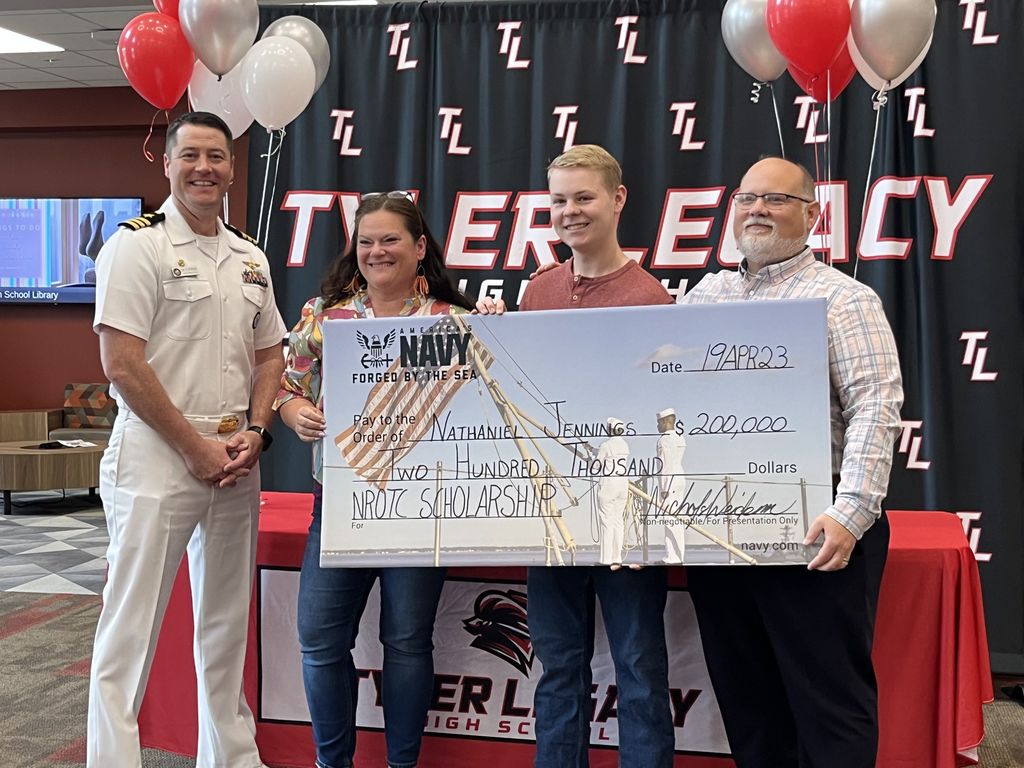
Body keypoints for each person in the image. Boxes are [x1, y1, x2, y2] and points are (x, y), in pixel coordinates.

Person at [684, 156, 904, 768]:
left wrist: (851, 513)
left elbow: (876, 409)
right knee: (748, 703)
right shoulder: (705, 295)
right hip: (718, 525)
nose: (757, 209)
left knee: (830, 706)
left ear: (811, 214)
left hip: (814, 525)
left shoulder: (844, 299)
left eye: (775, 200)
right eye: (747, 198)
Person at [87, 111, 287, 768]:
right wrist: (192, 446)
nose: (206, 168)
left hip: (235, 461)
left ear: (233, 168)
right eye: (192, 155)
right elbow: (122, 364)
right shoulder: (135, 246)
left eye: (218, 157)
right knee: (130, 631)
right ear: (167, 163)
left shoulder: (249, 255)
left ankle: (229, 758)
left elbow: (269, 356)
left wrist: (257, 431)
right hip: (156, 459)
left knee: (227, 627)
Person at [480, 144, 676, 767]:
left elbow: (664, 417)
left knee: (639, 668)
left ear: (618, 200)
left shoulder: (653, 299)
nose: (569, 211)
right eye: (559, 199)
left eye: (583, 197)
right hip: (555, 518)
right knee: (559, 669)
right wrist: (493, 340)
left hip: (628, 520)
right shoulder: (537, 290)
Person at [275, 191, 476, 768]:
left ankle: (401, 764)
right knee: (318, 638)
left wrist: (494, 338)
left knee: (407, 642)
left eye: (390, 240)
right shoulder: (325, 314)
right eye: (366, 241)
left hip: (421, 509)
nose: (376, 251)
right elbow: (289, 385)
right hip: (339, 502)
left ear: (419, 249)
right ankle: (330, 762)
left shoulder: (453, 322)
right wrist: (294, 413)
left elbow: (486, 407)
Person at [595, 417, 630, 566]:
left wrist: (592, 457)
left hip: (609, 485)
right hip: (623, 485)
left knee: (606, 522)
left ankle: (606, 559)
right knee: (618, 522)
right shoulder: (625, 445)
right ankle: (617, 557)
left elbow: (596, 466)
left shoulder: (606, 445)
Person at [655, 407, 687, 563]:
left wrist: (664, 489)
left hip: (670, 481)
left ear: (665, 421)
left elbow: (665, 465)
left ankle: (672, 557)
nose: (657, 426)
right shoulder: (680, 437)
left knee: (670, 518)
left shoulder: (664, 440)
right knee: (677, 518)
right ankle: (678, 554)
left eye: (658, 423)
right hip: (680, 478)